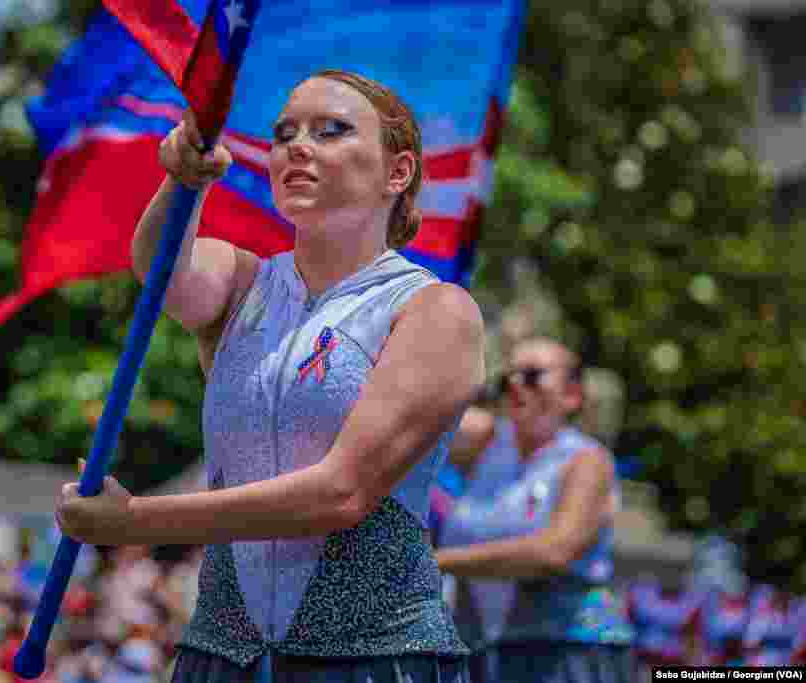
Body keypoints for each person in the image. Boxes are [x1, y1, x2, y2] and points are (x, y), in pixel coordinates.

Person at [55, 69, 484, 682]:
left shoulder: (435, 309)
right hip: (222, 656)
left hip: (377, 660)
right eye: (285, 133)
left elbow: (342, 492)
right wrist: (185, 179)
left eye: (332, 130)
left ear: (398, 172)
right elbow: (161, 270)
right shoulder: (243, 283)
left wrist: (135, 522)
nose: (298, 146)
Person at [435, 337, 634, 682]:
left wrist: (434, 562)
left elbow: (555, 551)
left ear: (571, 395)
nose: (514, 384)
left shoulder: (587, 460)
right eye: (505, 379)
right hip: (485, 649)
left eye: (531, 376)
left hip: (569, 650)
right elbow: (420, 415)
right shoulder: (485, 447)